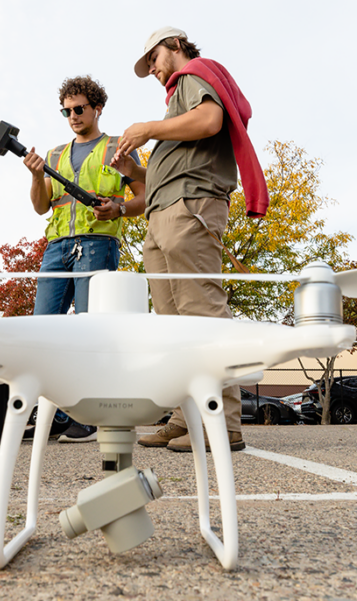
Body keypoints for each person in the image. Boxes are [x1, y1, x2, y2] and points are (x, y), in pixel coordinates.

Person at [112, 28, 269, 453]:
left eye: (154, 58)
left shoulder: (195, 74)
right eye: (148, 66)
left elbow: (210, 120)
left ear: (176, 45)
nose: (153, 69)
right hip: (163, 211)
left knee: (202, 313)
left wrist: (149, 128)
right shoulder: (175, 105)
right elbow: (161, 173)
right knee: (173, 327)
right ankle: (185, 418)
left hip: (190, 207)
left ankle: (224, 424)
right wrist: (133, 170)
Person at [21, 75, 145, 443]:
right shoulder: (55, 154)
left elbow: (145, 196)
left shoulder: (116, 148)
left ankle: (91, 418)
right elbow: (42, 206)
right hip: (56, 247)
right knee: (44, 330)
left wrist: (120, 208)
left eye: (78, 109)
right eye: (66, 111)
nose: (72, 116)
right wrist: (34, 176)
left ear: (97, 109)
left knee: (92, 332)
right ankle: (52, 415)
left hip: (96, 244)